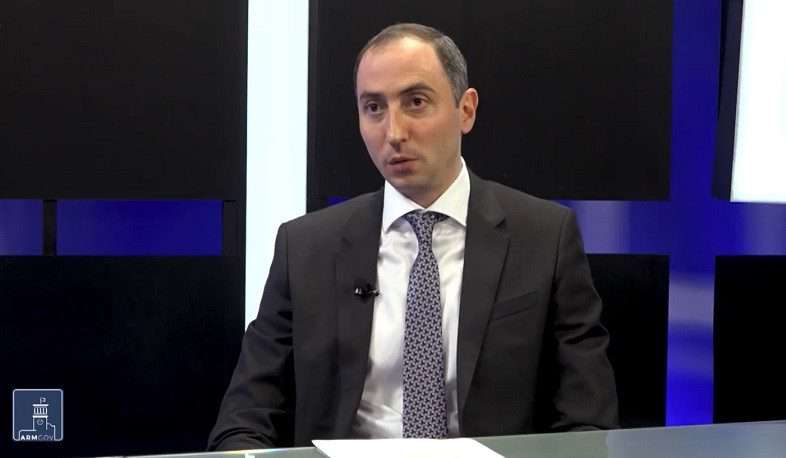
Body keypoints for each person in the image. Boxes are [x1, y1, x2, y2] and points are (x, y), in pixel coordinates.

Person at [208, 22, 618, 451]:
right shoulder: (305, 248)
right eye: (373, 108)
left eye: (416, 102)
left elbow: (587, 420)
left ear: (465, 110)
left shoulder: (545, 238)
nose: (394, 132)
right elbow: (246, 416)